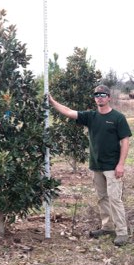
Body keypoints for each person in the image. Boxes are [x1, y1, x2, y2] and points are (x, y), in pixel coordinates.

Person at [48, 84, 132, 246]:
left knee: (115, 199)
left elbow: (125, 142)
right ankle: (107, 227)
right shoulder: (91, 116)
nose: (99, 97)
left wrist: (121, 164)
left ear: (108, 98)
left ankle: (122, 232)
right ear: (95, 99)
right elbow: (68, 111)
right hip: (96, 166)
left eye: (103, 95)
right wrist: (52, 102)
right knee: (102, 198)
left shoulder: (118, 118)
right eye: (97, 95)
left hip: (113, 167)